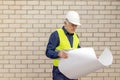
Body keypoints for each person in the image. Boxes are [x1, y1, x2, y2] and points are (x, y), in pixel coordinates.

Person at [45, 11, 81, 80]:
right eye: (72, 25)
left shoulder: (76, 37)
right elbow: (48, 52)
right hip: (59, 72)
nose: (74, 28)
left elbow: (79, 52)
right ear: (65, 23)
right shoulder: (56, 34)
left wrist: (92, 58)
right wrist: (58, 54)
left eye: (76, 25)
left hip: (73, 71)